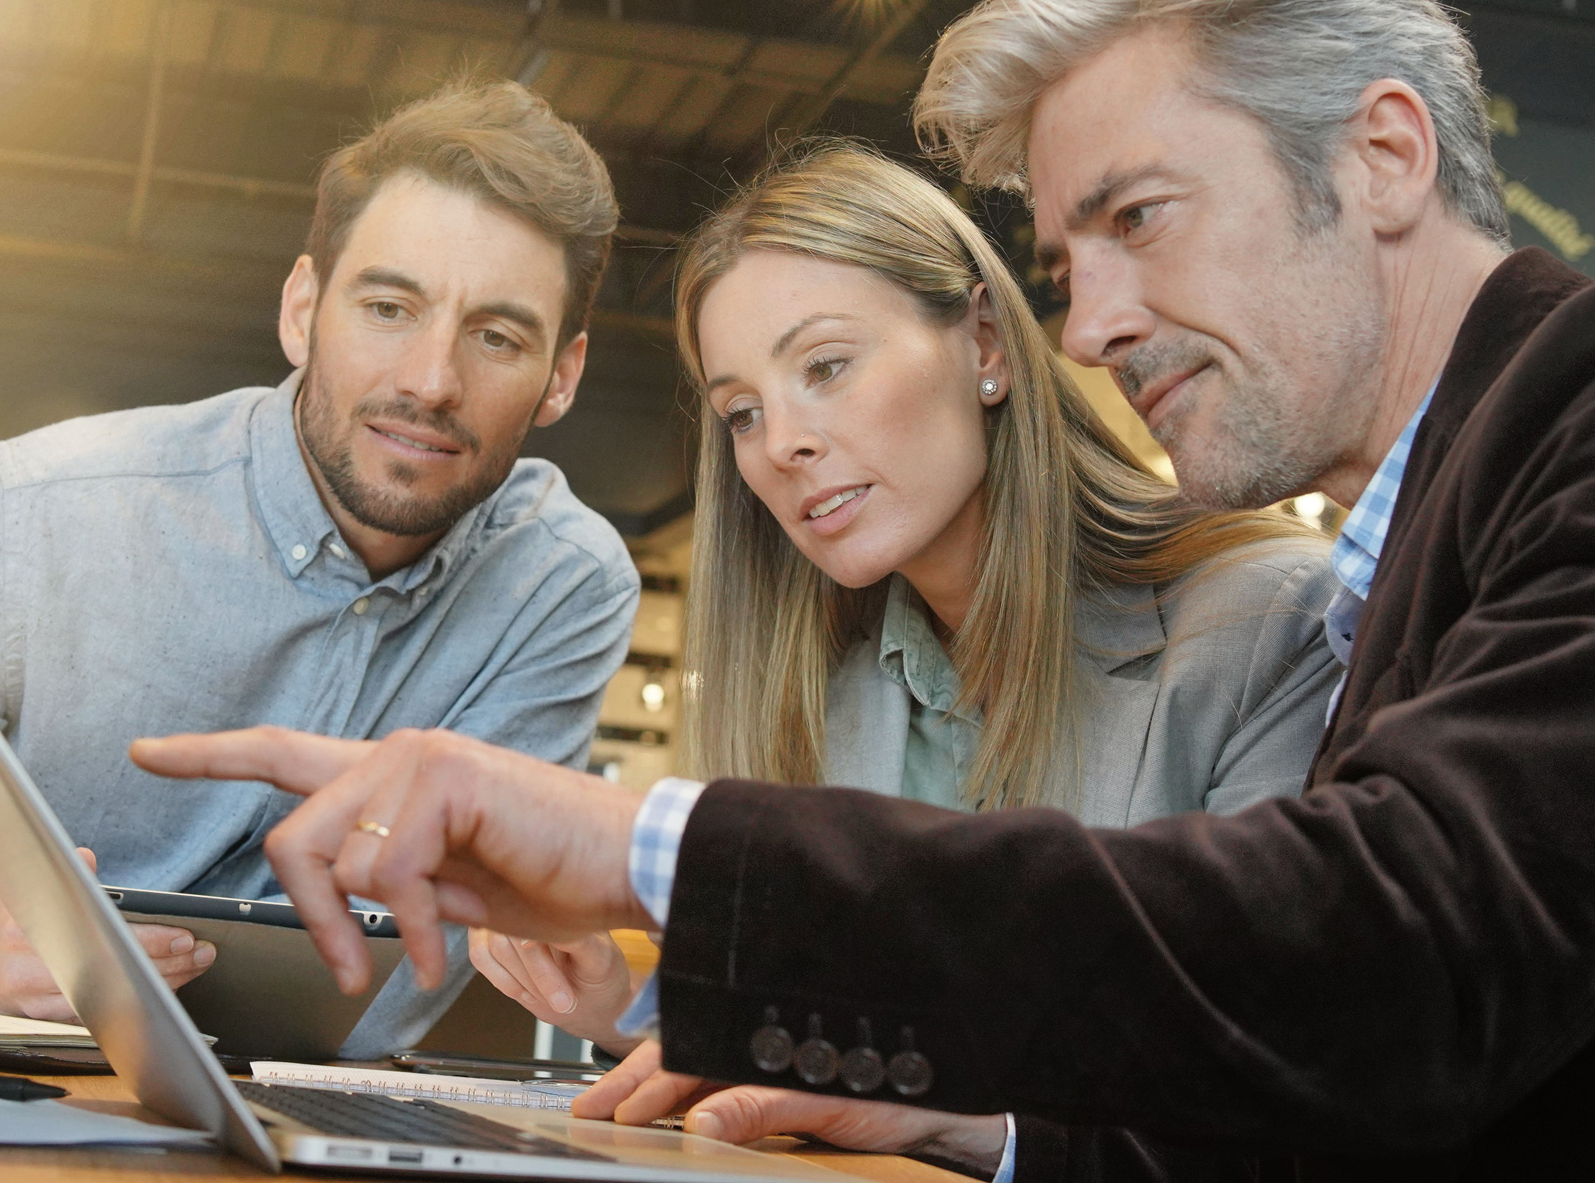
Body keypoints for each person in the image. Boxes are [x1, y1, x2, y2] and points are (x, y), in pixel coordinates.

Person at [131, 0, 1595, 1179]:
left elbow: (1386, 965)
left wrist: (653, 854)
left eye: (1140, 216)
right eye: (1070, 264)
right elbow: (1318, 1083)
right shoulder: (1408, 553)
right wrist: (957, 1118)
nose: (1091, 324)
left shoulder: (1549, 439)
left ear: (1388, 154)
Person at [0, 79, 641, 1056]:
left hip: (304, 1131)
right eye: (389, 305)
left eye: (496, 335)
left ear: (560, 376)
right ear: (302, 307)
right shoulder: (39, 509)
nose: (430, 380)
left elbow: (472, 947)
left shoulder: (560, 588)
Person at [467, 144, 1339, 1102]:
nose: (786, 442)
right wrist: (637, 999)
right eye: (744, 413)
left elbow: (1266, 1069)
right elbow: (854, 1036)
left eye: (827, 365)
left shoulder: (1271, 624)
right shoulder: (828, 694)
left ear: (987, 345)